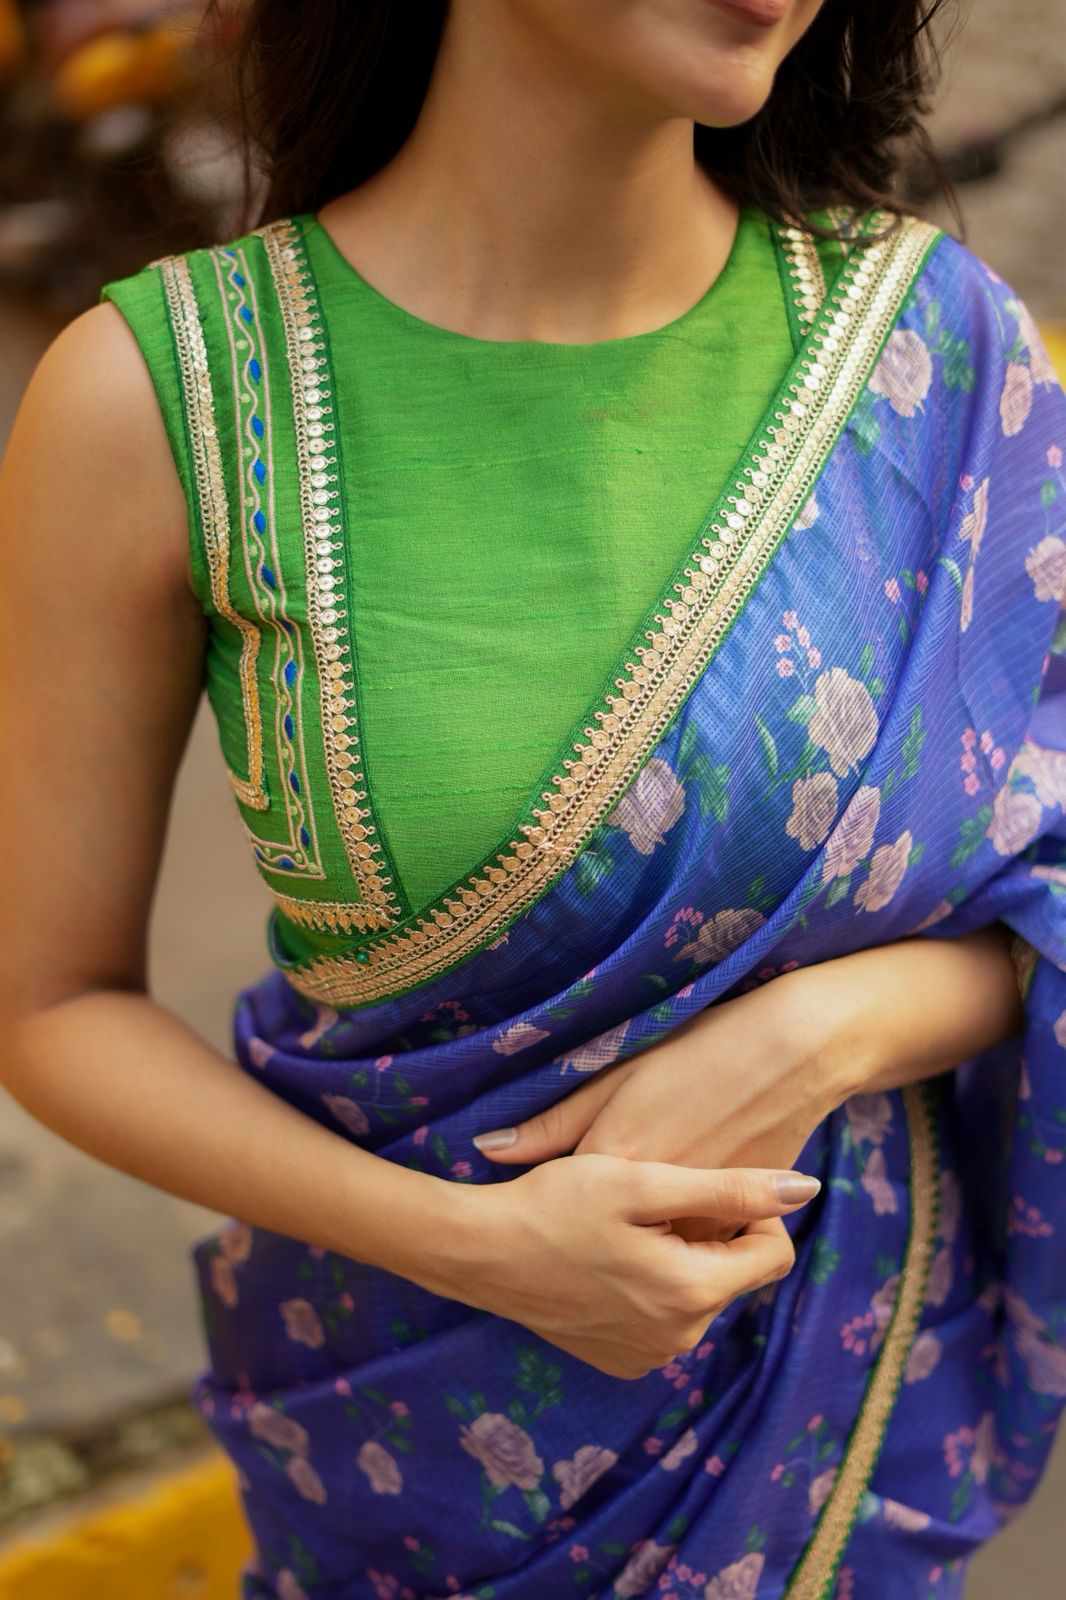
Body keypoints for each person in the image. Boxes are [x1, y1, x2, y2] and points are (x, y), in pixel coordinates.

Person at [2, 1, 1064, 1595]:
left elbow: (1040, 869)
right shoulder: (166, 397)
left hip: (836, 1472)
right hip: (404, 1462)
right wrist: (483, 1249)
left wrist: (826, 1033)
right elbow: (47, 1000)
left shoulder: (933, 350)